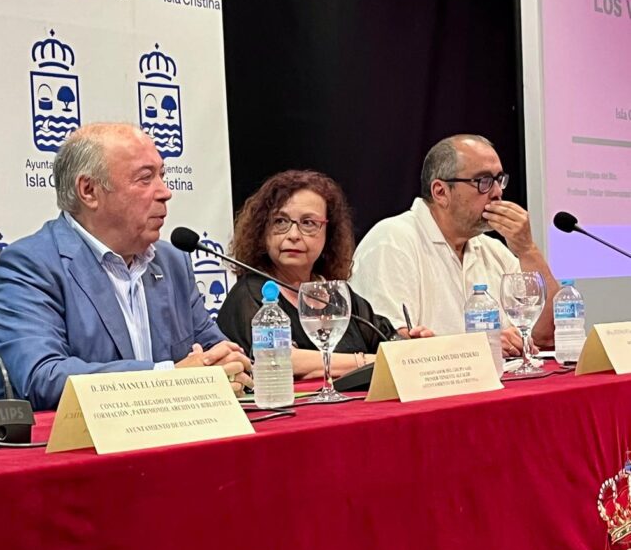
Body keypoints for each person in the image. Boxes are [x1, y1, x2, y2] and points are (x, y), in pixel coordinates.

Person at [0, 123, 252, 411]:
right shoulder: (30, 265)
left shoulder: (172, 261)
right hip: (80, 438)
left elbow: (216, 352)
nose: (165, 192)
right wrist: (169, 379)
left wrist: (230, 366)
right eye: (145, 178)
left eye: (162, 175)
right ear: (89, 191)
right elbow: (42, 377)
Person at [350, 134, 559, 355]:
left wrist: (527, 249)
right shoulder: (391, 241)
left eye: (499, 180)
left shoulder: (492, 250)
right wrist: (482, 346)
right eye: (483, 181)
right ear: (441, 192)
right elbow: (391, 345)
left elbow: (547, 334)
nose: (497, 192)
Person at [217, 170, 433, 379]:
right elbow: (281, 359)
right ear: (262, 229)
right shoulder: (250, 294)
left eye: (308, 223)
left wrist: (410, 345)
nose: (293, 235)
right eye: (280, 221)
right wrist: (366, 361)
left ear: (329, 234)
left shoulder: (337, 294)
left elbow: (386, 342)